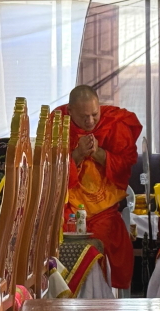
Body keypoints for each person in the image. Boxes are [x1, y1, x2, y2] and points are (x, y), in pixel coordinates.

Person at [55, 85, 142, 290]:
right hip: (69, 206)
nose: (90, 121)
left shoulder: (114, 122)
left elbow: (125, 164)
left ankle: (101, 295)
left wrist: (97, 153)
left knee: (106, 239)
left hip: (103, 208)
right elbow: (50, 172)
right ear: (70, 111)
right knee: (57, 239)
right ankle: (65, 295)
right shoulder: (57, 124)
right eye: (84, 117)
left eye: (95, 114)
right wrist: (78, 155)